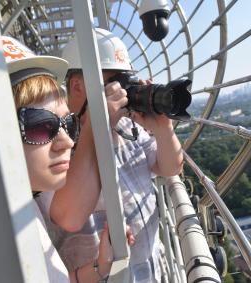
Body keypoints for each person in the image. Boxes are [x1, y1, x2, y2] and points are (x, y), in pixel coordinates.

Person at [0, 36, 128, 282]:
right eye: (40, 125)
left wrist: (99, 268)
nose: (68, 142)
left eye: (67, 124)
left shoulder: (19, 207)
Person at [54, 28, 183, 283]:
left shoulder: (126, 127)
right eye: (115, 83)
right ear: (78, 85)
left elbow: (169, 167)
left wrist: (163, 127)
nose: (124, 92)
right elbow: (68, 217)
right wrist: (96, 125)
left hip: (148, 272)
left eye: (126, 82)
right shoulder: (56, 139)